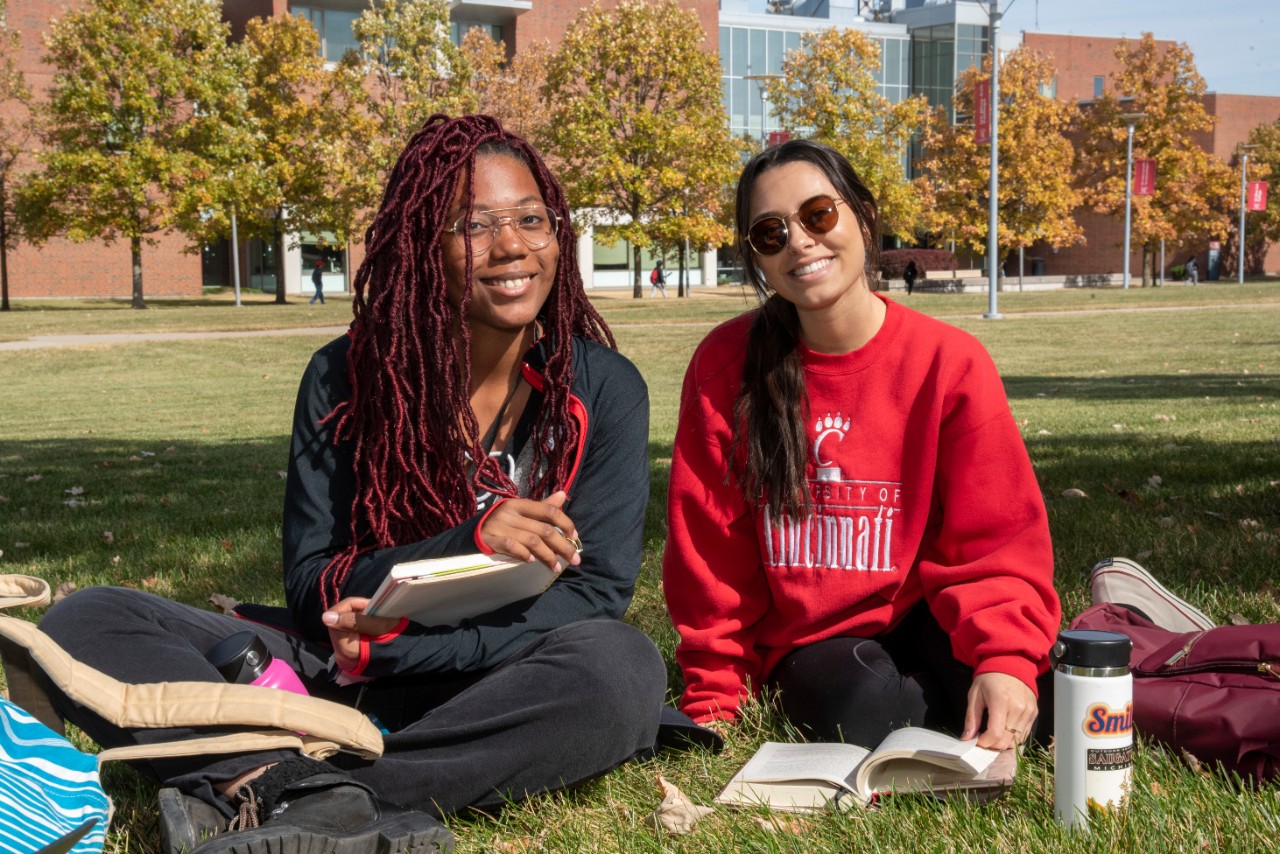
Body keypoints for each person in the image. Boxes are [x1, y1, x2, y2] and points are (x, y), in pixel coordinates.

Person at [38, 114, 670, 854]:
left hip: (490, 679)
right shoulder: (344, 378)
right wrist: (469, 540)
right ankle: (316, 794)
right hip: (323, 670)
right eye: (473, 225)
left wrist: (395, 653)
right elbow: (311, 583)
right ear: (419, 246)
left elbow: (590, 597)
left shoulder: (604, 389)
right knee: (86, 620)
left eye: (533, 219)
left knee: (621, 668)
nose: (511, 247)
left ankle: (295, 789)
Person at [663, 139, 1060, 754]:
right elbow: (711, 556)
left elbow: (995, 537)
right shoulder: (725, 366)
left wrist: (1005, 658)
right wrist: (715, 696)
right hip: (815, 648)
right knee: (859, 710)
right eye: (771, 234)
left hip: (925, 611)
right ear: (757, 261)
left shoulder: (948, 363)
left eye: (818, 215)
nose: (799, 241)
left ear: (864, 217)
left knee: (1050, 694)